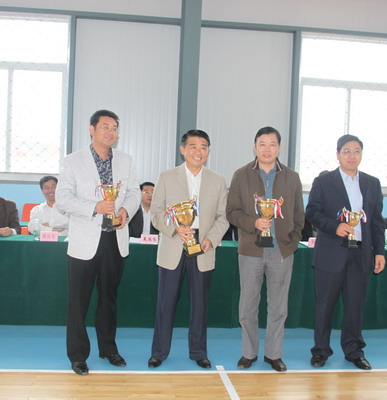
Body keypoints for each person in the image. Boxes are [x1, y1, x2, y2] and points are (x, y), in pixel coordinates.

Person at [56, 110, 140, 376]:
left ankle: (108, 349)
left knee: (109, 298)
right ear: (92, 129)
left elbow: (135, 193)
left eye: (114, 128)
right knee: (78, 301)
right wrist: (95, 207)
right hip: (85, 240)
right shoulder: (73, 161)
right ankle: (78, 355)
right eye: (105, 127)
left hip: (114, 238)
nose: (110, 132)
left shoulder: (126, 160)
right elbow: (63, 198)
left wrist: (125, 210)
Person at [148, 129, 229, 369]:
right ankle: (159, 352)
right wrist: (174, 228)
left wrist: (211, 239)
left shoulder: (218, 180)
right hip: (173, 244)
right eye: (193, 146)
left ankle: (198, 352)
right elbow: (156, 213)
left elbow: (223, 217)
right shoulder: (166, 176)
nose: (198, 151)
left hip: (203, 247)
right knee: (165, 304)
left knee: (200, 305)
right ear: (183, 150)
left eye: (204, 147)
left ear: (208, 152)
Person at [226, 126, 304, 372]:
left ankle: (273, 354)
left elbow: (299, 215)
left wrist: (291, 242)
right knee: (248, 305)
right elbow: (231, 212)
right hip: (251, 249)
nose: (267, 149)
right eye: (262, 144)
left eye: (272, 144)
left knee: (278, 306)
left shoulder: (292, 177)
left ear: (279, 148)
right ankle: (248, 353)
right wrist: (254, 223)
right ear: (255, 147)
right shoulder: (241, 175)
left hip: (281, 250)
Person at [306, 134, 385, 371]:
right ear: (338, 155)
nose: (352, 156)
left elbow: (377, 221)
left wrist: (379, 251)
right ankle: (320, 351)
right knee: (325, 306)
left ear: (362, 154)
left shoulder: (372, 183)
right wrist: (335, 226)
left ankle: (354, 351)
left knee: (355, 307)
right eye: (347, 151)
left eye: (357, 151)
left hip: (360, 253)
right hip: (331, 252)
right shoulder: (324, 182)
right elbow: (312, 212)